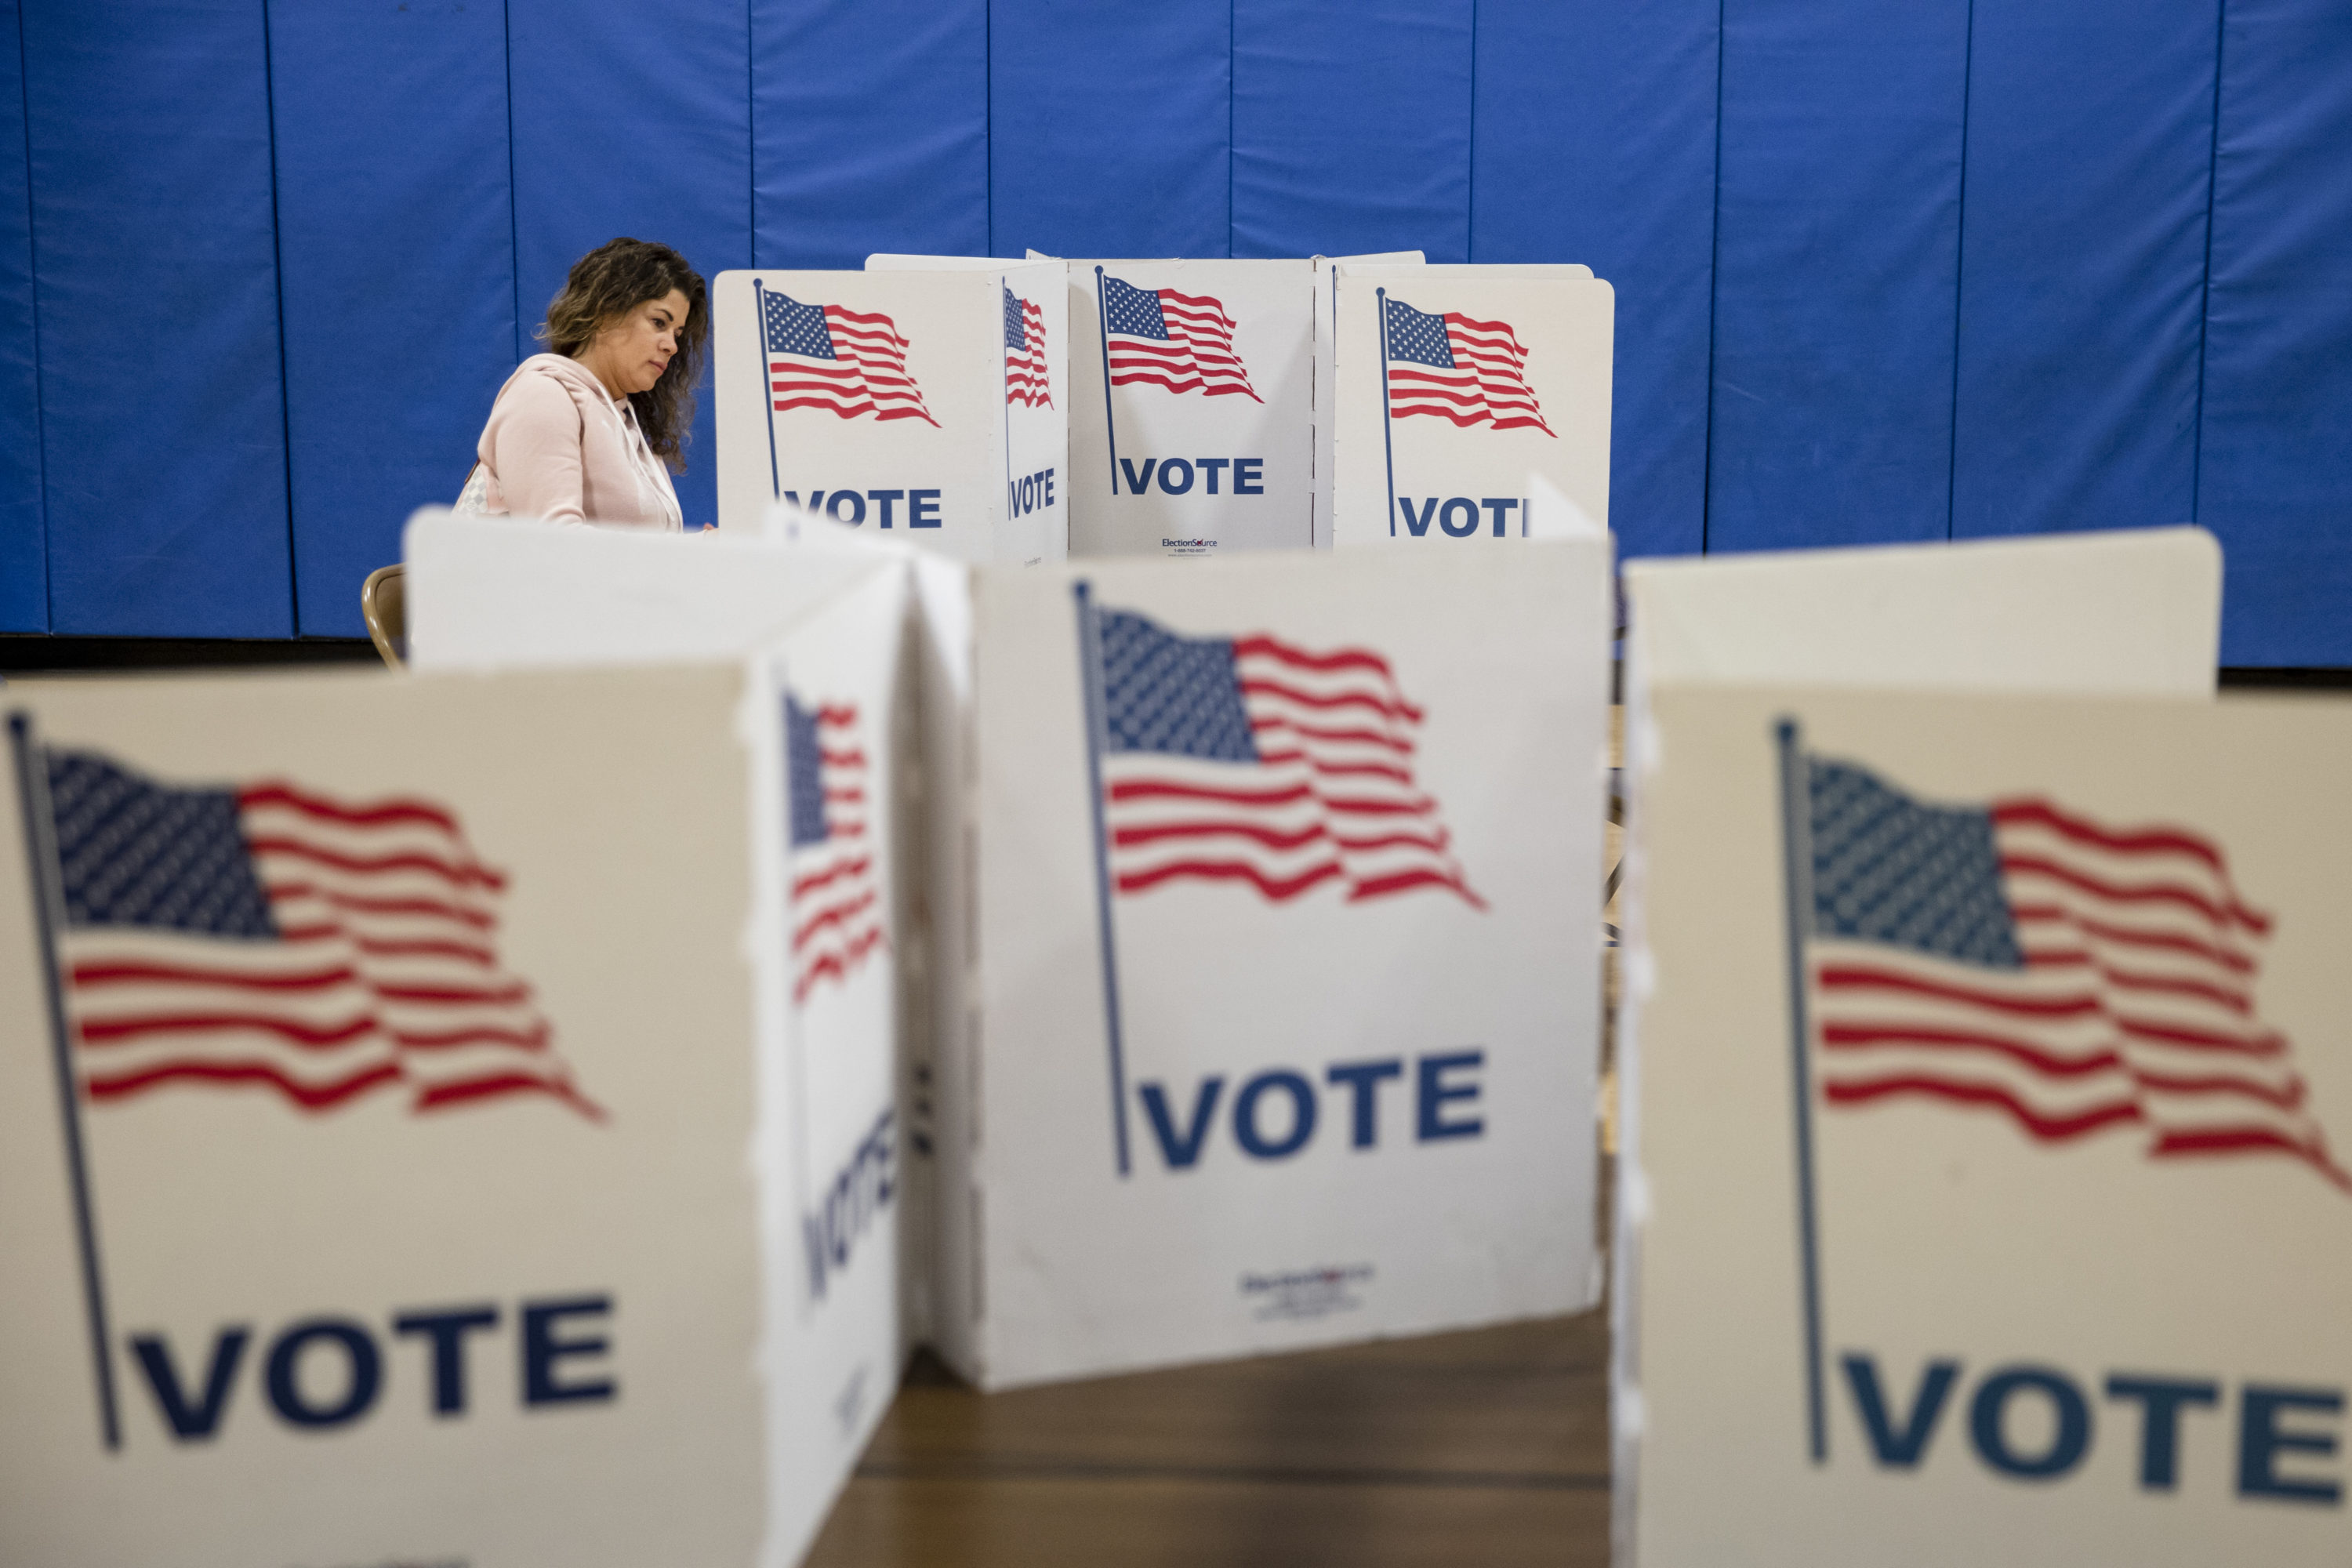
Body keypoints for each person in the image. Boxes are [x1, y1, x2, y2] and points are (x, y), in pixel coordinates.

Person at [457, 238, 708, 529]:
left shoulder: (627, 421)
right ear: (606, 312)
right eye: (659, 323)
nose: (672, 346)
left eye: (677, 333)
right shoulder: (542, 395)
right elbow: (556, 546)